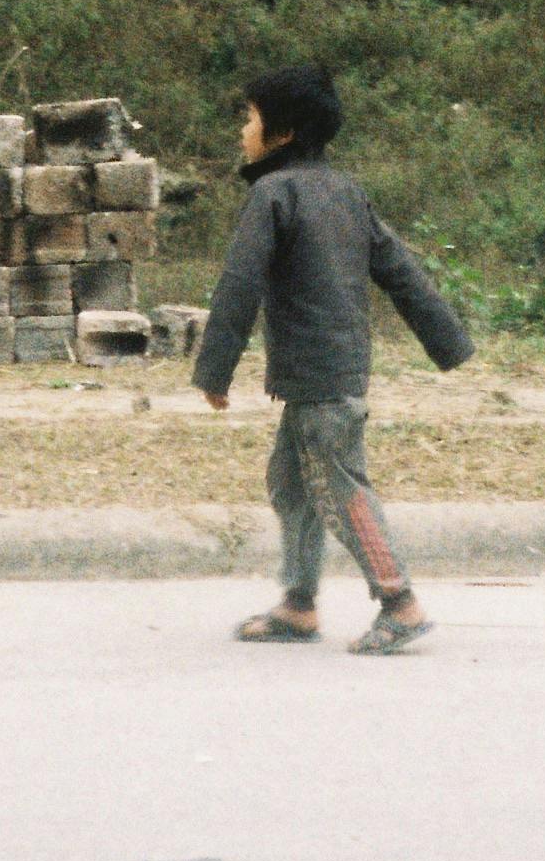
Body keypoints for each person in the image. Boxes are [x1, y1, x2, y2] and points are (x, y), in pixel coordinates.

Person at [192, 63, 477, 655]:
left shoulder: (274, 193)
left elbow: (239, 283)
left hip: (320, 378)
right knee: (291, 484)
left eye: (250, 118)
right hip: (328, 372)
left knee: (341, 489)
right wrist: (449, 343)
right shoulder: (346, 191)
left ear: (283, 133)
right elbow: (401, 270)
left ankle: (400, 603)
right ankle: (298, 605)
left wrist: (214, 371)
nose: (243, 129)